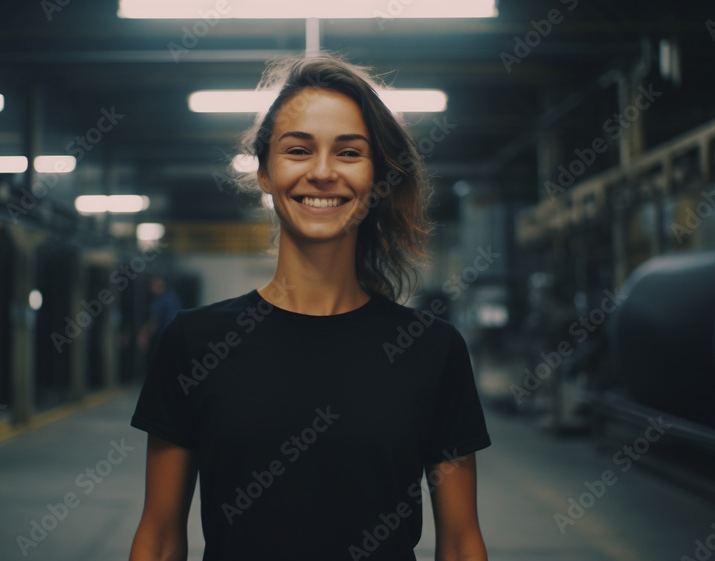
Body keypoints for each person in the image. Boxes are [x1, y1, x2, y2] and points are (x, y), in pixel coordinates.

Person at [129, 54, 491, 561]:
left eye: (349, 153)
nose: (322, 173)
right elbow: (160, 537)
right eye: (298, 150)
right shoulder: (195, 344)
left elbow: (460, 542)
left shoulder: (431, 351)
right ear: (264, 172)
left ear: (378, 177)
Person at [137, 275, 182, 353]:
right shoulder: (173, 297)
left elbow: (154, 322)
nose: (150, 287)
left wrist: (144, 335)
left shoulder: (160, 301)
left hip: (168, 337)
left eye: (152, 284)